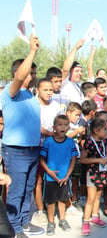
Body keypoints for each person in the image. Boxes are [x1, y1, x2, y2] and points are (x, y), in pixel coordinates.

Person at [1, 35, 45, 236]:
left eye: (35, 72)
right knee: (16, 191)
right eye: (30, 72)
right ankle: (13, 228)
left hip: (32, 150)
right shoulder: (11, 92)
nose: (33, 75)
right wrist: (33, 51)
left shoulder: (29, 95)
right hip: (16, 151)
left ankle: (24, 222)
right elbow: (19, 77)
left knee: (28, 189)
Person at [40, 115, 78, 236]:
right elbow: (41, 158)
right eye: (60, 124)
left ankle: (62, 219)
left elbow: (73, 159)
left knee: (63, 199)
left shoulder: (70, 142)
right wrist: (49, 171)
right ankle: (51, 222)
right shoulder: (48, 142)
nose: (63, 127)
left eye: (65, 125)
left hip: (64, 177)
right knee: (51, 201)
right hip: (50, 178)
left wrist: (67, 175)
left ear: (69, 127)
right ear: (54, 127)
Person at [33, 78, 60, 227]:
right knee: (38, 180)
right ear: (38, 90)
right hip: (37, 146)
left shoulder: (55, 105)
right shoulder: (33, 104)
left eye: (51, 90)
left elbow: (60, 122)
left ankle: (55, 205)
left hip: (54, 147)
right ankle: (40, 210)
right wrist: (51, 133)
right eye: (45, 89)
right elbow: (34, 125)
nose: (49, 92)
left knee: (54, 175)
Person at [80, 118, 107, 235]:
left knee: (98, 196)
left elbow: (105, 152)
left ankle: (95, 216)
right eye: (104, 129)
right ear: (97, 131)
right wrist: (98, 160)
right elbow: (83, 159)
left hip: (102, 172)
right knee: (91, 199)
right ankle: (86, 222)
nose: (106, 131)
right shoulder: (89, 143)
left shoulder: (103, 141)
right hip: (92, 173)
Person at [61, 39, 85, 104]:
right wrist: (75, 48)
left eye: (81, 71)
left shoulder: (79, 85)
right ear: (70, 72)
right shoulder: (65, 83)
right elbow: (65, 69)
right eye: (77, 71)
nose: (80, 73)